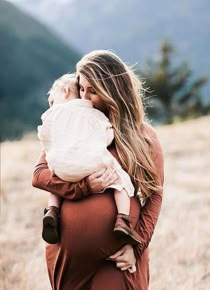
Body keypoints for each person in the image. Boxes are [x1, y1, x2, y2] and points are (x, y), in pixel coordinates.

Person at [32, 50, 164, 290]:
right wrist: (84, 188)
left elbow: (154, 195)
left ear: (113, 90)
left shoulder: (143, 137)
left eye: (93, 91)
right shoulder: (69, 127)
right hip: (68, 258)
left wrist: (138, 246)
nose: (85, 97)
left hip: (118, 260)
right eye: (82, 89)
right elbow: (40, 175)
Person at [37, 73, 141, 246]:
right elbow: (107, 134)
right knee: (117, 180)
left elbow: (43, 134)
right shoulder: (92, 113)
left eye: (52, 101)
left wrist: (52, 152)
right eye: (83, 89)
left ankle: (52, 211)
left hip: (60, 165)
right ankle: (123, 219)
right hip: (92, 164)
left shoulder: (52, 115)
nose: (51, 106)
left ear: (64, 91)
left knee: (55, 183)